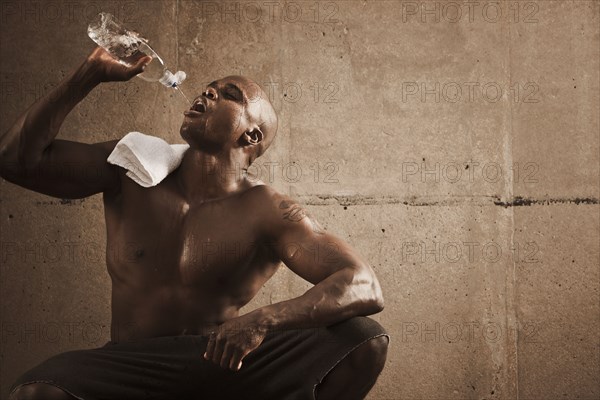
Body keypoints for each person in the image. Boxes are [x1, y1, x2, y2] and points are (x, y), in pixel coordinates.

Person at [1, 47, 389, 400]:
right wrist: (89, 73)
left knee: (362, 340)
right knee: (37, 393)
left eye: (229, 95)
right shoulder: (131, 169)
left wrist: (264, 320)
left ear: (250, 134)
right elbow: (15, 161)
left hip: (218, 365)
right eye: (208, 88)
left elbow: (362, 283)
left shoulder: (267, 209)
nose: (207, 93)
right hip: (131, 365)